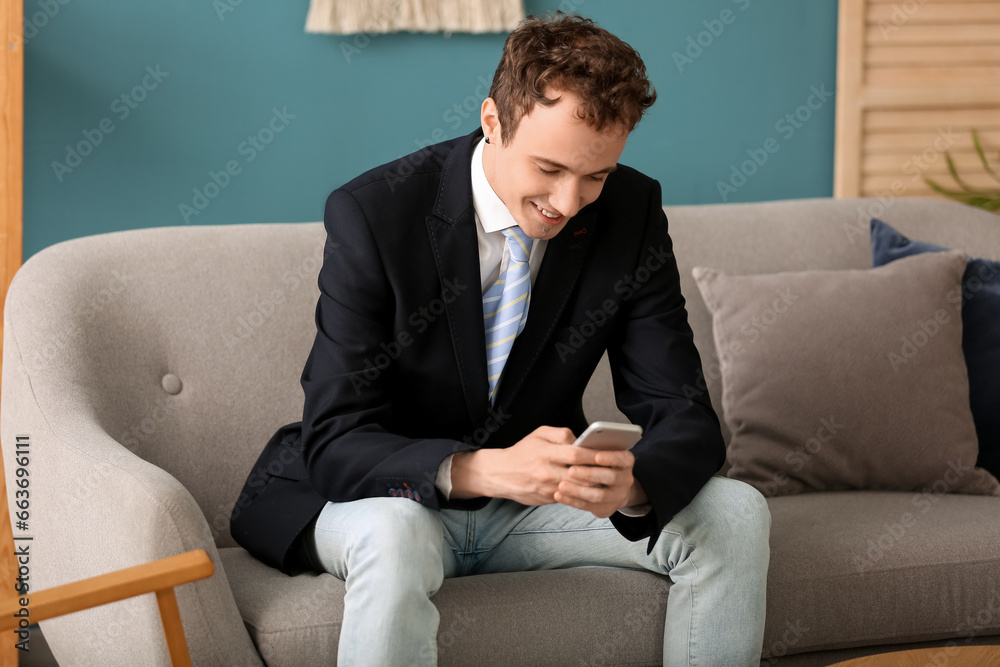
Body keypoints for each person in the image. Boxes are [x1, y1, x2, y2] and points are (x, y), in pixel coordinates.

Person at [230, 12, 771, 666]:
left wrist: (630, 486)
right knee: (396, 531)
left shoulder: (630, 213)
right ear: (493, 121)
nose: (569, 202)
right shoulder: (374, 212)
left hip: (536, 507)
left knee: (737, 513)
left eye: (595, 176)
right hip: (385, 499)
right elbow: (336, 435)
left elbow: (683, 411)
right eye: (549, 168)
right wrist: (476, 468)